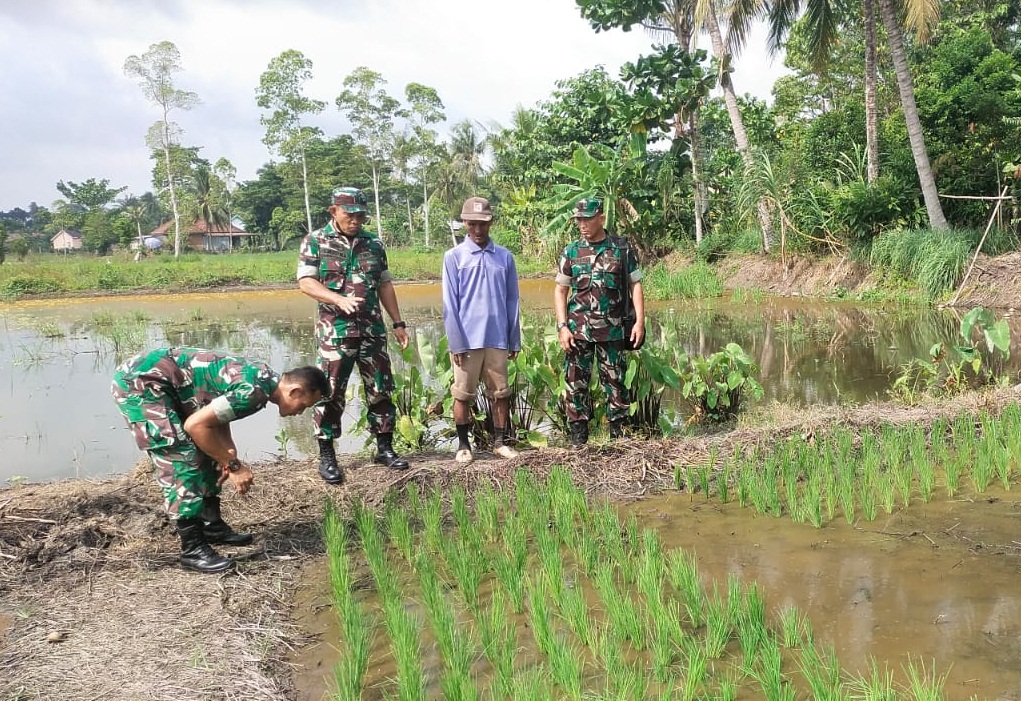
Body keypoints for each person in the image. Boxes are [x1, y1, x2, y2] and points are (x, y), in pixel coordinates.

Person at [111, 348, 329, 574]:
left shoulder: (264, 377)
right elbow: (195, 425)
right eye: (303, 405)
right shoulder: (254, 392)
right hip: (142, 384)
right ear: (294, 390)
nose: (300, 412)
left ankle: (211, 526)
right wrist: (234, 466)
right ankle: (192, 550)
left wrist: (227, 454)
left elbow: (216, 411)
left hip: (163, 384)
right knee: (183, 458)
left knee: (213, 451)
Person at [297, 186, 411, 485]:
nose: (356, 220)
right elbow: (306, 282)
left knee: (381, 388)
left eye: (361, 215)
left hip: (372, 330)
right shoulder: (316, 241)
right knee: (329, 392)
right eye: (351, 214)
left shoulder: (374, 244)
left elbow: (384, 285)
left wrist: (398, 323)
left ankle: (384, 448)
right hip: (336, 333)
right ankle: (327, 455)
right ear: (333, 211)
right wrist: (338, 300)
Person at [554, 197, 645, 446]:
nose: (582, 224)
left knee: (615, 383)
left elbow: (636, 284)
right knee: (575, 383)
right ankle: (578, 439)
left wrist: (639, 322)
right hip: (577, 331)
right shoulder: (571, 251)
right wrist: (562, 326)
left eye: (587, 219)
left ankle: (619, 437)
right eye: (579, 220)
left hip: (612, 330)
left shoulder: (621, 249)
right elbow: (560, 291)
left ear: (601, 219)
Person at [442, 196, 522, 464]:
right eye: (473, 224)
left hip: (497, 337)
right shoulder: (454, 257)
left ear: (491, 222)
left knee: (500, 393)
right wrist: (456, 342)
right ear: (465, 223)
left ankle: (500, 442)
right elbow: (449, 303)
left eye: (483, 224)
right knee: (463, 394)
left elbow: (512, 299)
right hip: (467, 339)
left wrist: (514, 338)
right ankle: (464, 445)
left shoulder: (505, 257)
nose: (478, 230)